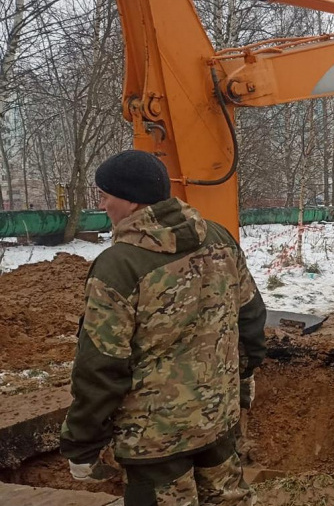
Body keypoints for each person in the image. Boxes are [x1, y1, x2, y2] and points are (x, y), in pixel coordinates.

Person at [60, 151, 267, 506]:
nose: (102, 204)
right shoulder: (219, 238)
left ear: (131, 200)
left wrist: (82, 443)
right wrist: (243, 378)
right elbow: (249, 315)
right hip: (217, 419)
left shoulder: (118, 266)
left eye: (105, 195)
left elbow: (101, 366)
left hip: (154, 442)